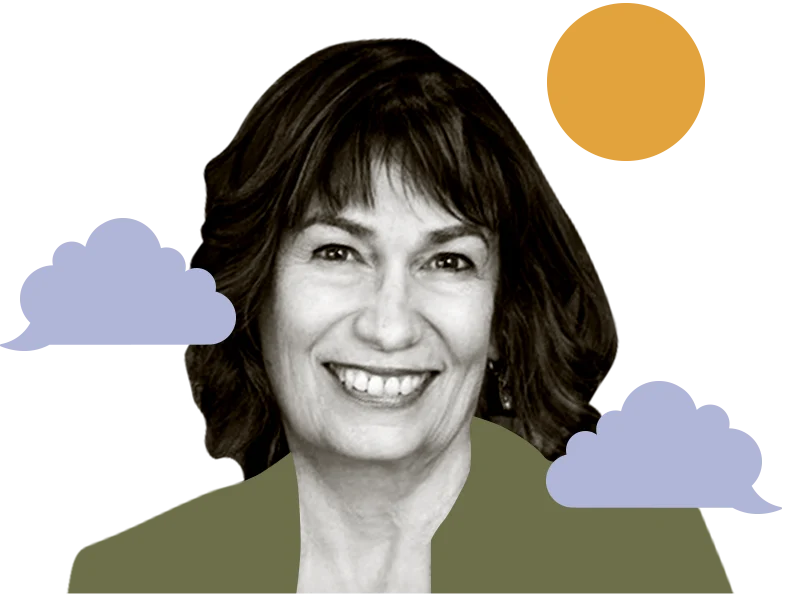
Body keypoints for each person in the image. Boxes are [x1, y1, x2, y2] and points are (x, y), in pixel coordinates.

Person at [64, 34, 735, 596]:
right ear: (252, 290)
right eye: (338, 252)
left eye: (448, 262)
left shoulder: (648, 573)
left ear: (504, 316)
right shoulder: (127, 581)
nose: (389, 327)